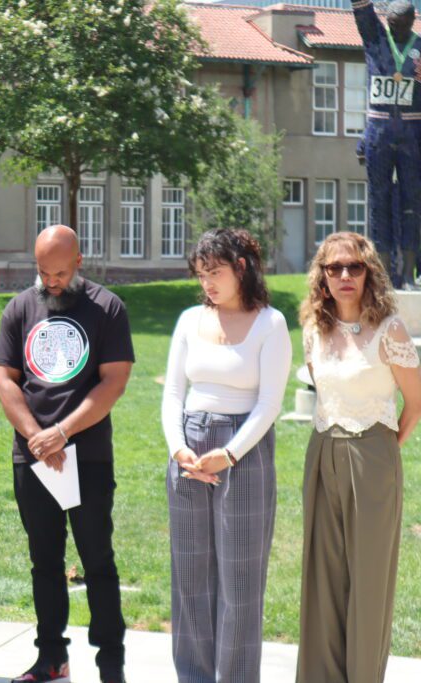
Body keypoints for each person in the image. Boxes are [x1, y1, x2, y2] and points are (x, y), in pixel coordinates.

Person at [0, 225, 132, 683]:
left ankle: (110, 664)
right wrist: (36, 436)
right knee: (44, 562)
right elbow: (5, 379)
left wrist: (63, 432)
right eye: (42, 271)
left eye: (58, 272)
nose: (49, 281)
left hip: (86, 456)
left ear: (78, 262)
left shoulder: (107, 308)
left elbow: (114, 382)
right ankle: (52, 658)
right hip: (32, 458)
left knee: (97, 561)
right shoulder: (19, 308)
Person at [160, 229, 292, 683]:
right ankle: (193, 676)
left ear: (240, 268)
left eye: (215, 272)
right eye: (201, 275)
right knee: (190, 578)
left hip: (243, 452)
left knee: (239, 583)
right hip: (189, 450)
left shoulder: (270, 323)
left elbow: (270, 403)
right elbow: (173, 391)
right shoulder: (188, 319)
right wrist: (178, 447)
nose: (207, 283)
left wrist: (230, 454)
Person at [296, 231, 421, 683]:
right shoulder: (313, 328)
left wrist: (383, 450)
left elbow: (416, 402)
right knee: (323, 576)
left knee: (368, 580)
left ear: (369, 272)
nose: (345, 276)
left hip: (373, 454)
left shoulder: (390, 330)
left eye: (354, 267)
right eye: (335, 268)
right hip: (322, 451)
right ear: (322, 276)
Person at [353, 0, 421, 285]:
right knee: (378, 202)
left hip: (413, 134)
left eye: (402, 26)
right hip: (379, 133)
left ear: (412, 22)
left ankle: (407, 272)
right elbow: (361, 9)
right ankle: (381, 272)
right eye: (392, 24)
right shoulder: (375, 38)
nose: (396, 29)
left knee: (412, 203)